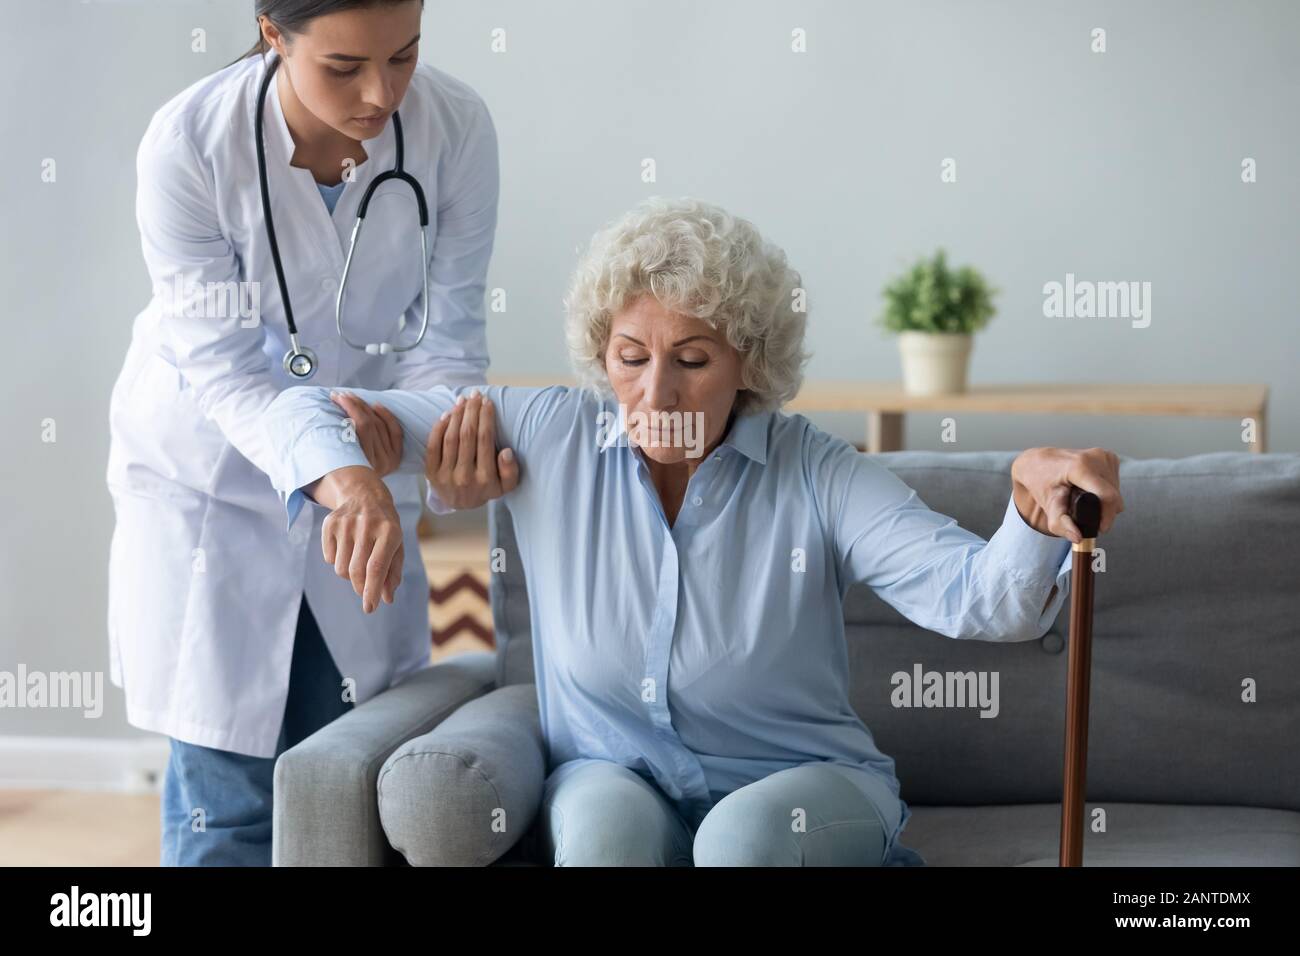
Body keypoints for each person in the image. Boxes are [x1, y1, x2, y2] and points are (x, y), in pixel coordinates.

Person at [261, 196, 1125, 866]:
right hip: (612, 770)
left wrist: (1028, 509)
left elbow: (989, 602)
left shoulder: (817, 472)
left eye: (694, 360)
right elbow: (307, 410)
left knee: (739, 844)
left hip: (801, 784)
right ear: (602, 354)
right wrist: (358, 488)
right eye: (631, 357)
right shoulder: (549, 432)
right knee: (600, 833)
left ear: (748, 362)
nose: (657, 394)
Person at [105, 0, 514, 866]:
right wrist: (338, 470)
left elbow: (447, 349)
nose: (381, 94)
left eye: (403, 56)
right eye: (344, 67)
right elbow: (227, 373)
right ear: (271, 33)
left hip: (370, 467)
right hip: (211, 482)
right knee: (231, 798)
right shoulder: (188, 144)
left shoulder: (457, 127)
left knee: (344, 776)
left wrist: (414, 441)